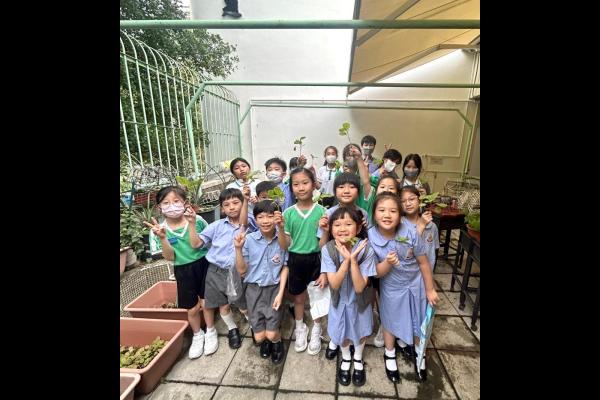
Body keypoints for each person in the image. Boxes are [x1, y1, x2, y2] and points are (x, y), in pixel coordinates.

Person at [367, 192, 439, 383]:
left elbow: (423, 262)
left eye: (393, 211)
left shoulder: (410, 231)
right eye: (382, 210)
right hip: (391, 284)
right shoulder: (371, 236)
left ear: (400, 215)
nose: (387, 215)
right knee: (389, 319)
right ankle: (389, 353)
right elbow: (375, 273)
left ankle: (420, 353)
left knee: (419, 317)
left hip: (416, 282)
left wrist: (430, 289)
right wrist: (388, 263)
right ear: (374, 214)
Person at [145, 186, 210, 359]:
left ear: (185, 203)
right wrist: (163, 238)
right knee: (192, 307)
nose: (171, 206)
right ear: (159, 207)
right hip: (182, 269)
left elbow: (205, 243)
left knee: (207, 302)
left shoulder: (198, 220)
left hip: (204, 264)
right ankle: (197, 334)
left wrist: (192, 223)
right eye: (166, 203)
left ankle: (210, 331)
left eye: (176, 201)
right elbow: (170, 257)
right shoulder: (158, 230)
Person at [321, 207, 376, 386]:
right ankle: (346, 358)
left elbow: (359, 287)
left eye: (348, 224)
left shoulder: (366, 249)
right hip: (339, 302)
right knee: (342, 332)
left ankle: (358, 358)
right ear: (331, 229)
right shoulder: (328, 250)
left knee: (361, 331)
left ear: (358, 228)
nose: (342, 229)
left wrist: (353, 260)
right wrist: (346, 261)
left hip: (360, 302)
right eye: (337, 224)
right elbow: (334, 284)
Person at [192, 188, 250, 355]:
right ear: (222, 209)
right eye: (226, 204)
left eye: (236, 203)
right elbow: (197, 244)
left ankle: (254, 323)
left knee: (243, 303)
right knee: (222, 304)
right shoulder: (216, 226)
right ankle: (232, 329)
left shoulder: (249, 223)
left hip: (239, 271)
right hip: (216, 271)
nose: (231, 207)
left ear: (243, 204)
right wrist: (191, 223)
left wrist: (246, 200)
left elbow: (244, 222)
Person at [234, 200, 289, 364]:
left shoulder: (282, 239)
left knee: (272, 333)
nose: (265, 221)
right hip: (253, 290)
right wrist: (238, 249)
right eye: (261, 217)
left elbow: (285, 266)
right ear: (255, 219)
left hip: (274, 289)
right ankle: (266, 339)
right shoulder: (249, 240)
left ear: (277, 217)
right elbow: (242, 271)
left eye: (270, 216)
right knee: (259, 337)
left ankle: (276, 341)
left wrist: (280, 293)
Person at [281, 168, 328, 355]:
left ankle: (317, 328)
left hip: (316, 258)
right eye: (296, 184)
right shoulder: (288, 213)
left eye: (305, 183)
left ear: (314, 184)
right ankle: (300, 327)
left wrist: (325, 230)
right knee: (298, 298)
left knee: (317, 296)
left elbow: (322, 245)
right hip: (295, 259)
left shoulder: (322, 212)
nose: (301, 188)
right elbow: (285, 245)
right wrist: (279, 228)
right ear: (291, 188)